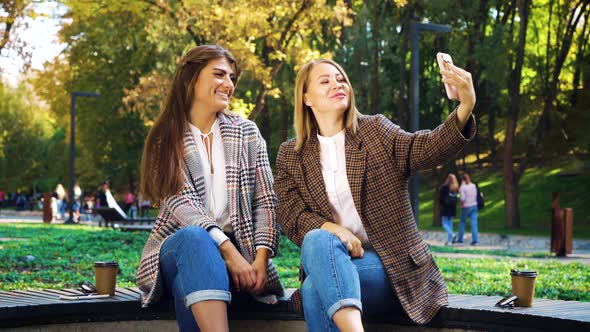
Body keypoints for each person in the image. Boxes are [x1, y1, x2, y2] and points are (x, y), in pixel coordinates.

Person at [274, 58, 476, 331]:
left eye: (341, 78)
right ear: (306, 98)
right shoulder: (291, 155)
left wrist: (465, 107)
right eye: (326, 81)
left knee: (314, 287)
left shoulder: (375, 132)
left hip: (390, 267)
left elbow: (427, 147)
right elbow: (291, 215)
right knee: (318, 243)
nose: (338, 84)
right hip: (334, 260)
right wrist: (334, 229)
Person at [136, 45, 284, 332]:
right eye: (219, 74)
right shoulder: (164, 138)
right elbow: (183, 206)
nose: (228, 84)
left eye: (232, 77)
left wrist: (260, 260)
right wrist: (229, 254)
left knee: (186, 287)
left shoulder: (247, 133)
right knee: (194, 238)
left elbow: (266, 202)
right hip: (179, 249)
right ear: (190, 78)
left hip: (243, 256)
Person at [458, 173, 479, 245]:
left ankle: (460, 239)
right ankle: (475, 240)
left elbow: (462, 198)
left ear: (462, 180)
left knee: (462, 222)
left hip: (466, 206)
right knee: (474, 223)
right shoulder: (473, 185)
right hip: (474, 205)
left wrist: (461, 203)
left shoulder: (462, 187)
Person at [439, 174, 459, 245]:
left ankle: (452, 234)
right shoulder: (455, 188)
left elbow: (440, 198)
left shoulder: (444, 187)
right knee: (450, 224)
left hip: (445, 208)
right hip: (452, 209)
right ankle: (450, 241)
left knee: (444, 223)